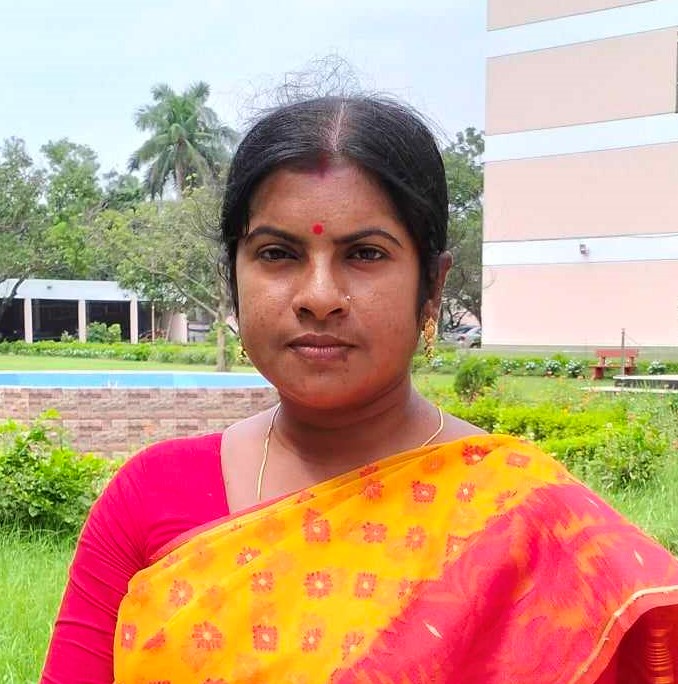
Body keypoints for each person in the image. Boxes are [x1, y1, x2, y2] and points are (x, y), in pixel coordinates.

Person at [42, 96, 678, 684]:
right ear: (233, 278)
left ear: (432, 286)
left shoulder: (526, 522)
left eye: (366, 254)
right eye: (277, 253)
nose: (319, 296)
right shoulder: (150, 496)